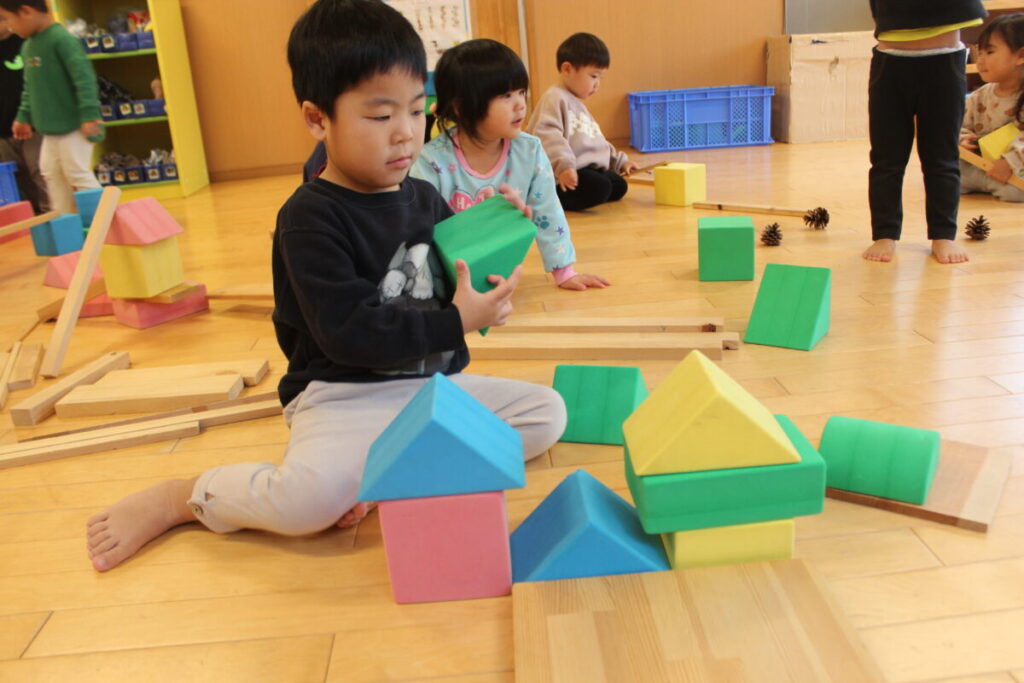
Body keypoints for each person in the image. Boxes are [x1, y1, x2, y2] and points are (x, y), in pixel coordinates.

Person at [84, 0, 566, 573]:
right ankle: (184, 497)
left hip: (429, 386)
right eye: (380, 116)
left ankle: (386, 473)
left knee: (545, 415)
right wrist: (456, 320)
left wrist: (497, 240)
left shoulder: (424, 197)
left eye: (418, 110)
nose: (406, 133)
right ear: (317, 119)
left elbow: (457, 285)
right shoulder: (309, 217)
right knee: (307, 503)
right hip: (343, 393)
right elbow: (350, 334)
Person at [411, 39, 611, 291]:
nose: (520, 105)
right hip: (443, 277)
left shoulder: (529, 151)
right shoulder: (431, 161)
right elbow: (417, 234)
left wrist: (564, 271)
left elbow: (548, 212)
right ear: (462, 107)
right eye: (506, 96)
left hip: (497, 265)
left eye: (521, 92)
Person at [863, 0, 987, 264]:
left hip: (944, 60)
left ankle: (943, 234)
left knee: (941, 157)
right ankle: (885, 233)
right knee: (886, 158)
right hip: (891, 62)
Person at [0, 0, 101, 215]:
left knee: (77, 173)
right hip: (50, 130)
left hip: (73, 125)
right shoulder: (28, 46)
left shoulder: (62, 40)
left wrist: (90, 115)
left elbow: (84, 80)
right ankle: (64, 221)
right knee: (50, 173)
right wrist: (23, 117)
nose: (9, 26)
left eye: (8, 18)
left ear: (26, 12)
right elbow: (29, 88)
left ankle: (104, 220)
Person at [526, 32, 638, 212]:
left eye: (600, 78)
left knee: (618, 185)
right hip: (560, 175)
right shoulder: (554, 98)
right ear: (567, 69)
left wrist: (620, 162)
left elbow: (597, 141)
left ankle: (589, 189)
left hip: (584, 169)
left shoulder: (579, 105)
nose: (597, 84)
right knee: (599, 187)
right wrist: (563, 167)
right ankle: (551, 197)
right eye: (593, 76)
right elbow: (548, 137)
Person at [960, 13, 1024, 202]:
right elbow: (960, 125)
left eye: (989, 52)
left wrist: (1010, 161)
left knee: (1015, 191)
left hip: (1015, 167)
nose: (980, 61)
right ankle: (986, 182)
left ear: (1021, 56)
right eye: (979, 53)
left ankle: (989, 183)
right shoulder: (980, 95)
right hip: (983, 165)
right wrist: (964, 140)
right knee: (946, 170)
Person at [0, 10, 48, 213]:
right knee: (14, 180)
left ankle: (54, 217)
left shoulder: (26, 44)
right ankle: (31, 220)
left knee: (41, 173)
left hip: (32, 126)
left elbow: (37, 85)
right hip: (3, 132)